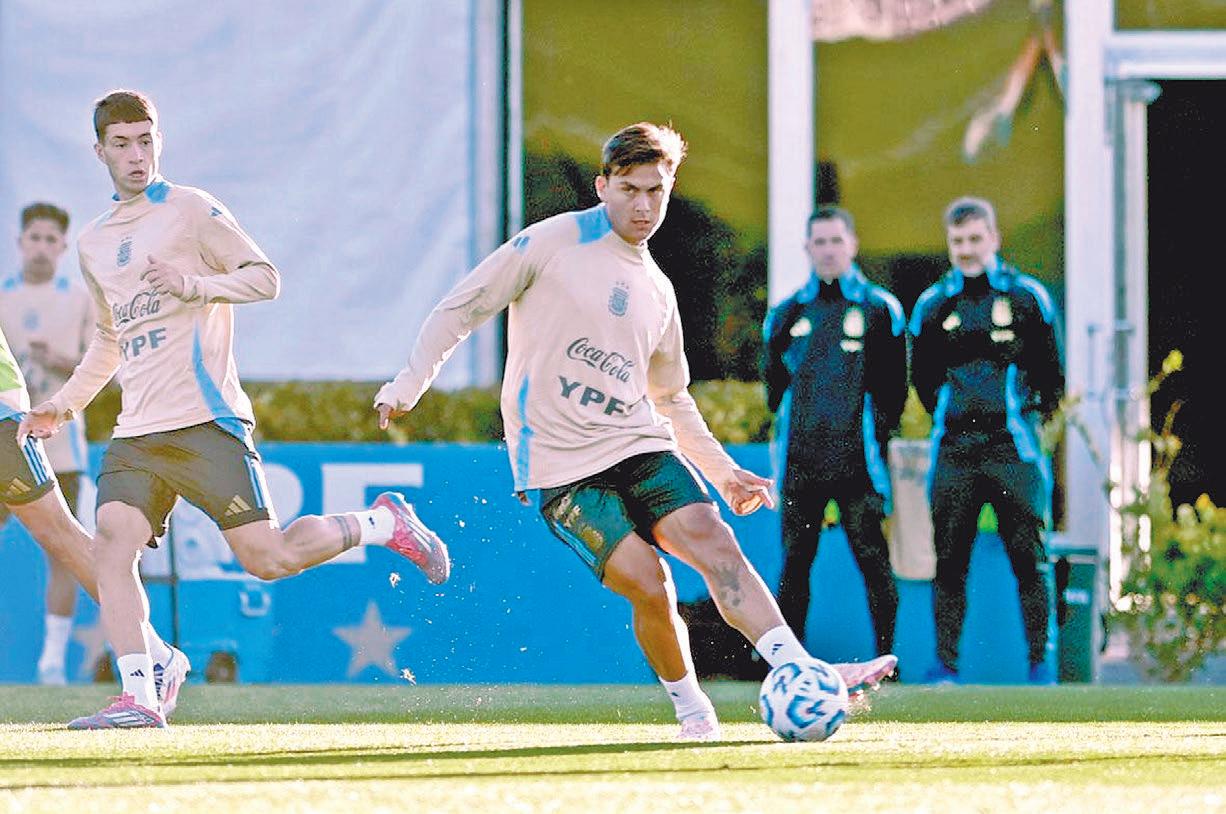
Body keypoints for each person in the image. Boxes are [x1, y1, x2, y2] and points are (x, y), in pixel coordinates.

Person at [374, 122, 897, 741]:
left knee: (715, 542)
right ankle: (694, 712)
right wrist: (411, 380)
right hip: (561, 466)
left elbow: (670, 398)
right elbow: (464, 305)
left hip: (639, 444)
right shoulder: (553, 240)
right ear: (603, 187)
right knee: (651, 583)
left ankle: (799, 668)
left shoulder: (657, 290)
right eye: (629, 190)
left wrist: (723, 472)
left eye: (656, 191)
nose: (644, 206)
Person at [20, 89, 451, 729]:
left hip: (206, 420)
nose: (136, 155)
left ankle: (383, 523)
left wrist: (195, 285)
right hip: (138, 431)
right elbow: (111, 339)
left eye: (146, 141)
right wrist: (59, 407)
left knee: (268, 558)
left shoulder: (190, 208)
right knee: (111, 548)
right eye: (122, 144)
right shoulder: (92, 242)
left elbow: (265, 277)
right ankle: (142, 694)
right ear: (100, 151)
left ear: (158, 141)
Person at [908, 196, 1063, 684]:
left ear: (994, 239)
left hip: (1013, 449)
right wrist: (956, 416)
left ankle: (1041, 667)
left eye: (976, 239)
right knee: (949, 562)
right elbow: (923, 381)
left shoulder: (1027, 298)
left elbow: (1052, 376)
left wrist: (1022, 418)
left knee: (1029, 559)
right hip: (955, 451)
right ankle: (944, 668)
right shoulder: (934, 305)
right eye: (958, 241)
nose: (967, 249)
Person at [762, 205, 906, 659]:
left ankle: (887, 660)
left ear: (853, 245)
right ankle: (788, 665)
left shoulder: (880, 309)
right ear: (808, 248)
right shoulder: (788, 313)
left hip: (858, 465)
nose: (828, 250)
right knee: (795, 566)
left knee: (874, 563)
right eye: (820, 242)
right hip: (802, 465)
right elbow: (773, 388)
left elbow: (895, 391)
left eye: (836, 241)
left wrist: (873, 436)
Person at [0, 202, 96, 684]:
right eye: (33, 238)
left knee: (63, 548)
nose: (40, 247)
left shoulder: (80, 299)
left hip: (59, 445)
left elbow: (100, 368)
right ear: (21, 242)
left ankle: (53, 661)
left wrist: (56, 359)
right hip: (4, 435)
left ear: (62, 246)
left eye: (49, 240)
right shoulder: (3, 295)